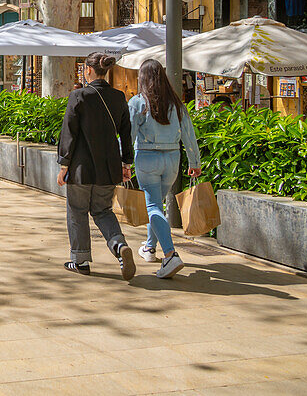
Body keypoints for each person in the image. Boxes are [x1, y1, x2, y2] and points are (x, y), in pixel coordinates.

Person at [56, 52, 136, 280]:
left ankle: (80, 261)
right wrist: (126, 162)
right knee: (103, 211)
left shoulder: (78, 96)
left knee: (77, 212)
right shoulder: (119, 97)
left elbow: (68, 133)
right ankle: (119, 246)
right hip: (109, 168)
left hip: (81, 168)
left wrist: (64, 165)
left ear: (88, 70)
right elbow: (126, 134)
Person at [128, 59, 202, 279]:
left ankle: (170, 254)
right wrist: (194, 162)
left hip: (147, 158)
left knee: (153, 205)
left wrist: (124, 162)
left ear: (142, 78)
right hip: (172, 159)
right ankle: (150, 248)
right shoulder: (177, 104)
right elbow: (189, 136)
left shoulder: (138, 102)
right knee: (157, 204)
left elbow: (128, 134)